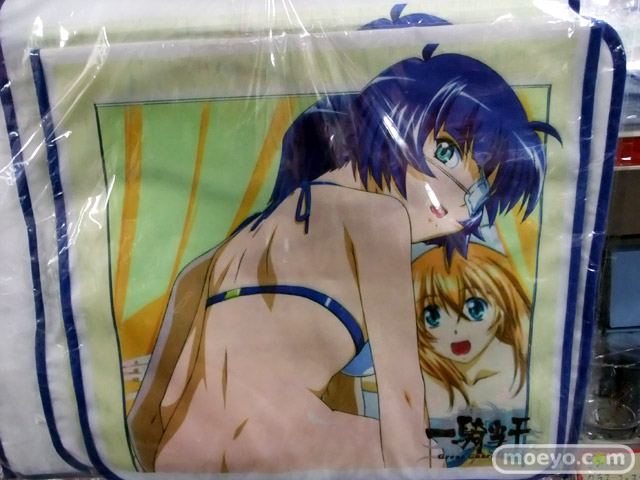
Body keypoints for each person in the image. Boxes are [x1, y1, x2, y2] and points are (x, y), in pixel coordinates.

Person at [127, 39, 559, 473]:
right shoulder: (379, 216)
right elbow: (402, 396)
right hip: (285, 448)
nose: (451, 196)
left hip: (183, 456)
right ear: (389, 124)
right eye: (446, 151)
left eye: (477, 191)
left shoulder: (235, 245)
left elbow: (153, 411)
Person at [413, 244, 532, 466]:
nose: (456, 329)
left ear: (503, 304)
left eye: (475, 309)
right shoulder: (421, 375)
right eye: (433, 316)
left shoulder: (518, 365)